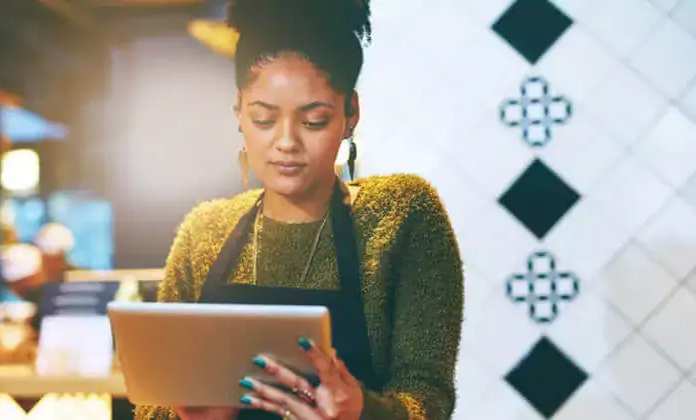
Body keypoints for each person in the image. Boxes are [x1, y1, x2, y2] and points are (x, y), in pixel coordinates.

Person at [135, 0, 464, 418]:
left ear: (351, 115)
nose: (286, 141)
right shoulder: (204, 230)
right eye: (264, 119)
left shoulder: (401, 214)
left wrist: (363, 412)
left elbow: (429, 398)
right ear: (239, 112)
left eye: (313, 120)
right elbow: (153, 397)